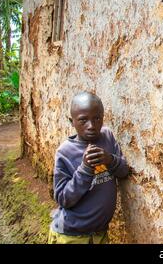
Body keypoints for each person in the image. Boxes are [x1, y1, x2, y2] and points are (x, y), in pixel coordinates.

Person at [48, 91, 129, 244]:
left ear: (103, 117)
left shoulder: (107, 137)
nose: (91, 126)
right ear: (72, 121)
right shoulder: (65, 152)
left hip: (100, 233)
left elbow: (124, 171)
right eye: (83, 120)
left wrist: (110, 159)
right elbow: (63, 198)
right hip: (72, 235)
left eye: (97, 118)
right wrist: (85, 169)